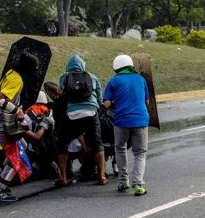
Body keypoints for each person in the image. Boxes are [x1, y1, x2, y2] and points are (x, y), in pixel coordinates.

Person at [0, 51, 39, 202]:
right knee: (19, 158)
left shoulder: (11, 73)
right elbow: (0, 100)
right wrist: (17, 111)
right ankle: (0, 189)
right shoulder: (17, 80)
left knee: (23, 145)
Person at [55, 55, 107, 187]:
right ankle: (101, 176)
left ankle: (63, 178)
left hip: (71, 113)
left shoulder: (64, 76)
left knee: (62, 143)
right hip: (91, 112)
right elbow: (100, 100)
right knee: (97, 142)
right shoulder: (92, 77)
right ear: (82, 65)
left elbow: (61, 94)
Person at [103, 55, 150, 196]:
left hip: (121, 121)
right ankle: (138, 184)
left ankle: (123, 182)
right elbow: (147, 102)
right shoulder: (141, 80)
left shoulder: (114, 81)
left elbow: (106, 104)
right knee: (139, 154)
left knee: (120, 149)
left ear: (116, 67)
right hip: (140, 121)